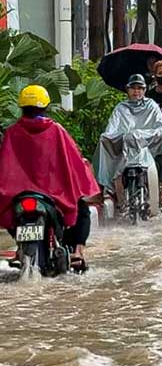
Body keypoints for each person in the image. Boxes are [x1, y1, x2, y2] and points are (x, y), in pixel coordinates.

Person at [0, 86, 99, 271]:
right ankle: (77, 252)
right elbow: (73, 162)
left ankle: (19, 249)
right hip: (54, 194)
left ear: (21, 107)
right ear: (45, 106)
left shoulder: (12, 132)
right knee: (82, 209)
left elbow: (5, 166)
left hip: (18, 194)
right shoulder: (56, 130)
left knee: (8, 212)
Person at [96, 74, 162, 210]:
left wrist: (142, 136)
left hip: (148, 147)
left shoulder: (151, 105)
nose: (136, 91)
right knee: (103, 140)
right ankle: (108, 190)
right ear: (127, 90)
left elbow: (159, 127)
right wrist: (125, 137)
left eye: (139, 88)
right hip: (125, 148)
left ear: (144, 90)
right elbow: (111, 129)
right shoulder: (121, 108)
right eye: (133, 88)